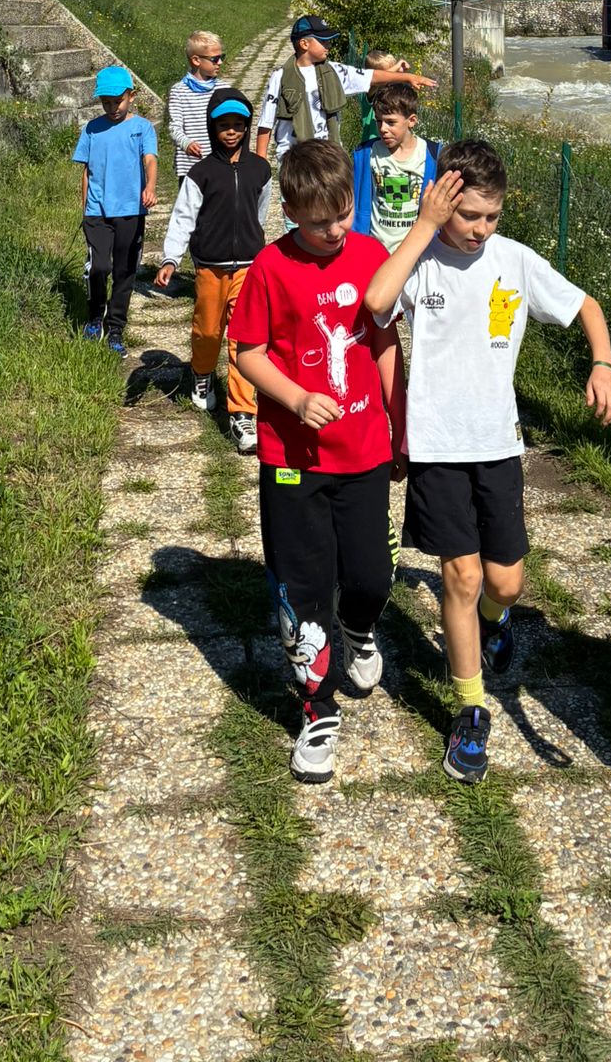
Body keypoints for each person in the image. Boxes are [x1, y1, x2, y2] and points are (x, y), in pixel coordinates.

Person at [363, 142, 611, 783]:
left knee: (504, 583)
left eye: (491, 216)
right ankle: (470, 710)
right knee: (462, 575)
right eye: (469, 215)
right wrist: (424, 225)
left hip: (499, 446)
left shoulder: (514, 261)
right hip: (437, 448)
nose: (480, 229)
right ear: (442, 201)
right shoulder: (421, 260)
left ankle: (493, 622)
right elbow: (375, 303)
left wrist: (603, 363)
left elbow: (587, 307)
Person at [231, 139, 404, 783]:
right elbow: (248, 352)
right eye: (318, 222)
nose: (333, 231)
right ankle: (317, 708)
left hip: (364, 448)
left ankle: (358, 626)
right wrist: (297, 399)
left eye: (343, 215)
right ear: (290, 212)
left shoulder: (370, 255)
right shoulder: (270, 267)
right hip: (293, 458)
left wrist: (400, 421)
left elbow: (384, 344)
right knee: (303, 588)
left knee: (371, 577)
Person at [154, 88, 271, 454]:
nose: (231, 131)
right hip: (210, 268)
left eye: (238, 124)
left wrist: (257, 246)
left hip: (249, 268)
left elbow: (261, 212)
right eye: (223, 125)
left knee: (243, 339)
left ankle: (243, 413)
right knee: (208, 331)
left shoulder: (260, 170)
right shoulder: (201, 173)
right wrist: (171, 258)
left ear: (247, 127)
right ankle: (202, 373)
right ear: (211, 127)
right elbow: (183, 218)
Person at [253, 15, 435, 163]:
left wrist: (408, 77)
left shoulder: (335, 71)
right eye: (323, 41)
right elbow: (266, 121)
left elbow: (371, 76)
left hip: (328, 154)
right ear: (304, 44)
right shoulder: (281, 77)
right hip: (293, 157)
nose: (328, 45)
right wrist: (261, 163)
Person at [73, 64, 157, 354]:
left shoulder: (142, 128)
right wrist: (85, 209)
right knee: (100, 266)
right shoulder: (92, 129)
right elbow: (86, 171)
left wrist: (150, 187)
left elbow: (150, 160)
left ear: (131, 96)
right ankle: (95, 315)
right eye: (106, 102)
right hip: (97, 211)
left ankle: (116, 327)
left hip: (130, 210)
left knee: (124, 270)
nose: (112, 108)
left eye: (117, 101)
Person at [351, 81, 439, 254]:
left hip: (415, 253)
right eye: (378, 121)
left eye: (391, 122)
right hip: (374, 251)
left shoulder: (432, 155)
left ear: (411, 121)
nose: (383, 129)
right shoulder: (366, 154)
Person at [166, 30, 227, 181]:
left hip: (219, 163)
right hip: (190, 167)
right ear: (196, 60)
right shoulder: (179, 91)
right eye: (215, 59)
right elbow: (174, 127)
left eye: (222, 57)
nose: (220, 62)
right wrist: (186, 143)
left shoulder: (224, 89)